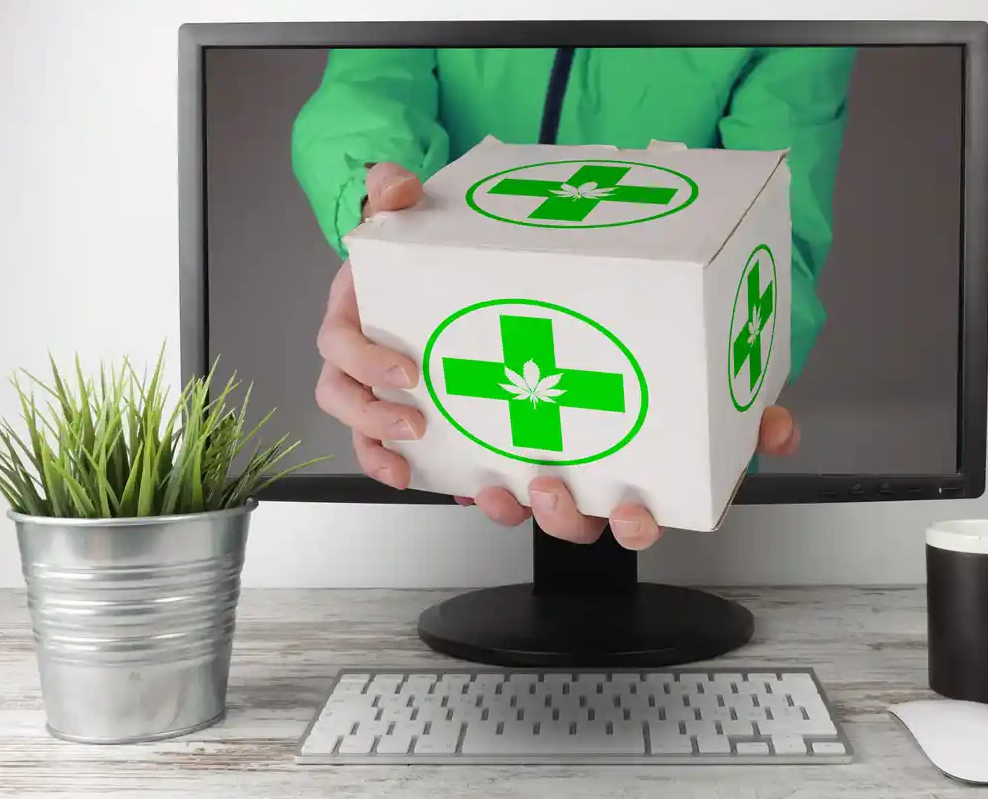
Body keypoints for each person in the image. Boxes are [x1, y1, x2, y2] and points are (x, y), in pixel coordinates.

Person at [292, 46, 856, 551]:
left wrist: (747, 375)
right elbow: (366, 85)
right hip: (458, 454)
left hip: (678, 489)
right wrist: (373, 237)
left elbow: (780, 228)